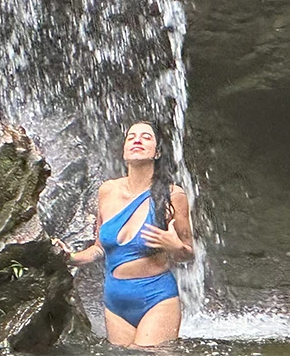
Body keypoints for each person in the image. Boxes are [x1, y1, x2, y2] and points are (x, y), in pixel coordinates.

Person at [53, 120, 194, 347]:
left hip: (156, 297)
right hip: (115, 303)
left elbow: (188, 253)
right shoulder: (107, 191)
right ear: (124, 150)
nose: (137, 140)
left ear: (157, 152)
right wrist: (69, 257)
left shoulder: (173, 195)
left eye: (146, 137)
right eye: (131, 137)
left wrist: (175, 246)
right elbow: (99, 248)